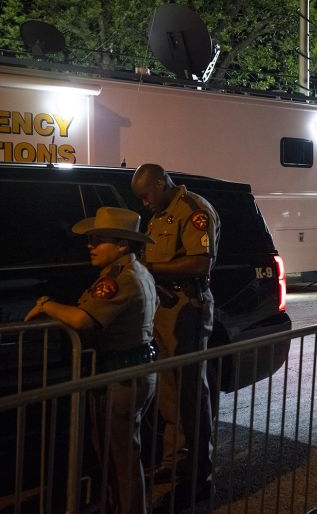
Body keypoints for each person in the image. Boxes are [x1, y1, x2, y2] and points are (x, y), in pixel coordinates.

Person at [25, 207, 157, 514]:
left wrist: (47, 305)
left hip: (122, 375)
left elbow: (83, 320)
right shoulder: (135, 271)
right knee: (118, 454)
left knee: (120, 457)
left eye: (99, 240)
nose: (91, 245)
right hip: (129, 370)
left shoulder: (120, 280)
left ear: (122, 245)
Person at [130, 163, 219, 503]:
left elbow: (200, 262)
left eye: (146, 195)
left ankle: (199, 474)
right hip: (165, 308)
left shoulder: (193, 211)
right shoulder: (160, 213)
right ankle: (175, 462)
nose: (144, 203)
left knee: (190, 393)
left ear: (161, 182)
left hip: (188, 306)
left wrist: (149, 268)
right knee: (169, 392)